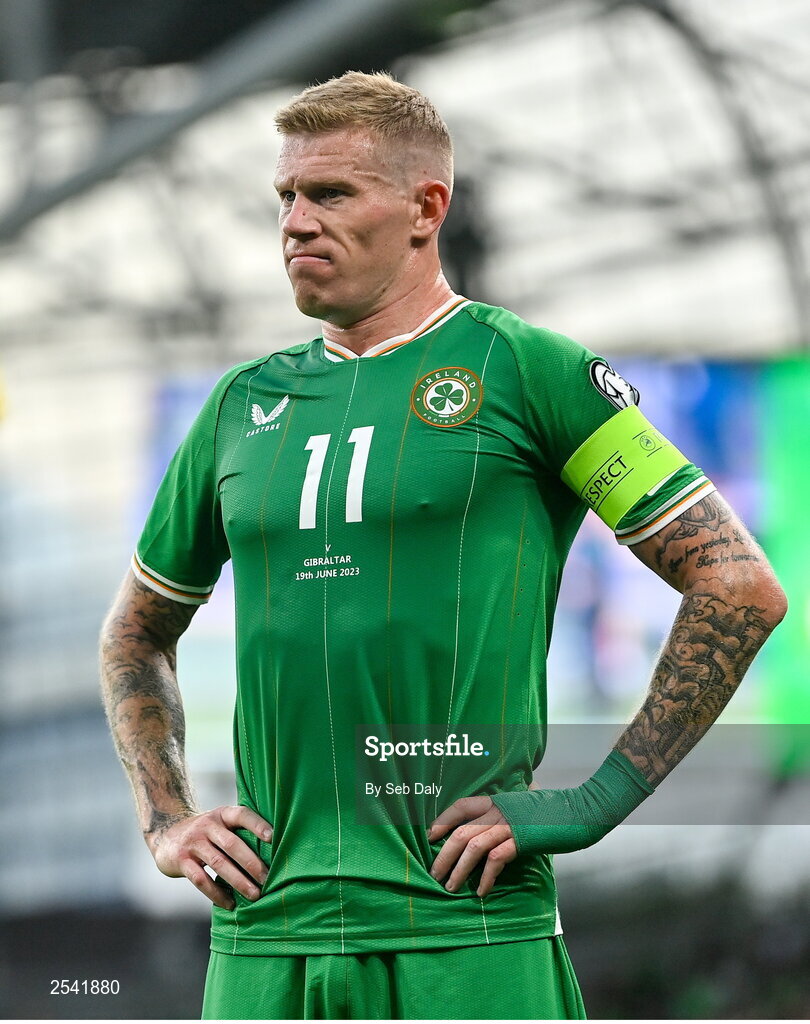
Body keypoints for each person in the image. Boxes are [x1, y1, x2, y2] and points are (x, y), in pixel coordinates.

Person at [99, 71, 787, 1020]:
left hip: (465, 935)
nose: (296, 222)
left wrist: (595, 799)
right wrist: (168, 821)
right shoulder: (236, 407)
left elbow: (738, 585)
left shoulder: (531, 370)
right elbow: (135, 632)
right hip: (264, 937)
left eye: (331, 193)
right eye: (287, 197)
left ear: (427, 209)